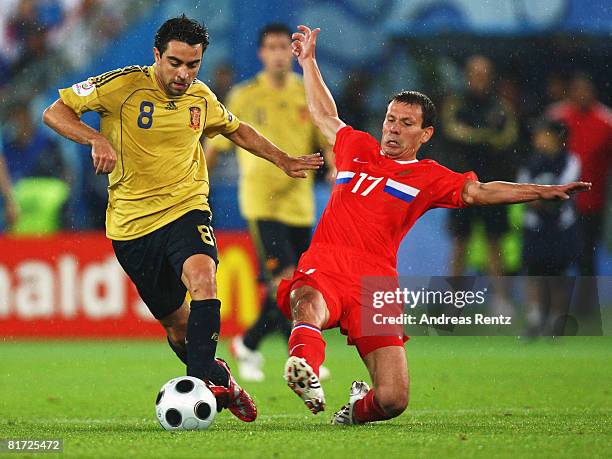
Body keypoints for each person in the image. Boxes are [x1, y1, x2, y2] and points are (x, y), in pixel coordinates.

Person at [280, 25, 591, 425]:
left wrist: (540, 191)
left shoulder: (427, 176)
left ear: (425, 133)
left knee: (393, 399)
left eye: (405, 123)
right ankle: (304, 366)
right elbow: (325, 114)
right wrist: (308, 62)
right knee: (307, 303)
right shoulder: (355, 147)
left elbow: (481, 192)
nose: (393, 128)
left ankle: (355, 408)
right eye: (391, 119)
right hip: (328, 262)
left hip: (377, 283)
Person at [42, 15, 323, 423]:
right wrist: (96, 138)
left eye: (193, 65)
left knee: (203, 278)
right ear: (157, 55)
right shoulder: (120, 85)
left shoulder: (201, 97)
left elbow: (236, 129)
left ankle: (199, 393)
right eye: (175, 63)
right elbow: (55, 111)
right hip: (132, 225)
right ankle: (221, 379)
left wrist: (283, 159)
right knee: (177, 327)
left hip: (186, 207)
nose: (183, 74)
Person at [205, 23, 332, 382]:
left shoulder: (305, 93)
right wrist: (196, 185)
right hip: (263, 203)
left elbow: (326, 139)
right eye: (271, 47)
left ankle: (248, 343)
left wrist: (336, 168)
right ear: (262, 54)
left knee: (301, 287)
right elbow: (215, 147)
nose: (278, 54)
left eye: (283, 47)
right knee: (285, 281)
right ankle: (302, 357)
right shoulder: (245, 96)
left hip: (300, 204)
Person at [441, 56, 518, 278]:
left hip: (492, 183)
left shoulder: (501, 106)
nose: (479, 79)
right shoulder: (456, 103)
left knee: (494, 241)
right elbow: (453, 132)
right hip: (463, 184)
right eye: (475, 74)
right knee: (460, 241)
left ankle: (501, 301)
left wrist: (474, 135)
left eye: (484, 74)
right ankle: (452, 301)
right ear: (467, 76)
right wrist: (485, 135)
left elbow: (506, 138)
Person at [519, 119, 580, 335]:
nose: (538, 139)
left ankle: (556, 320)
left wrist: (539, 199)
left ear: (556, 137)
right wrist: (545, 199)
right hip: (535, 225)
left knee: (558, 272)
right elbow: (521, 189)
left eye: (542, 134)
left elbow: (566, 189)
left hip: (560, 225)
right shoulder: (531, 162)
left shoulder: (570, 160)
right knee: (533, 271)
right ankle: (534, 319)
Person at [548, 72, 612, 275]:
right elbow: (543, 152)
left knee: (587, 253)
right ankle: (556, 302)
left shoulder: (606, 121)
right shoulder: (557, 117)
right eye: (578, 90)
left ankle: (587, 301)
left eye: (586, 90)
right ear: (571, 93)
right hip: (558, 199)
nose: (582, 94)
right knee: (555, 254)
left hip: (592, 199)